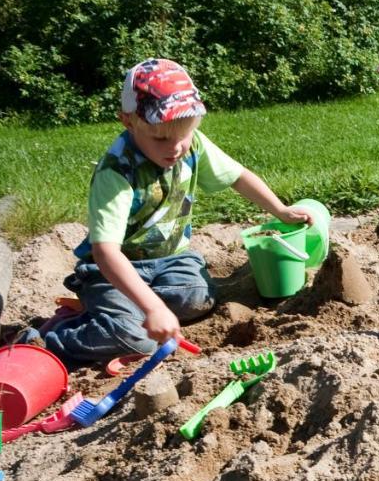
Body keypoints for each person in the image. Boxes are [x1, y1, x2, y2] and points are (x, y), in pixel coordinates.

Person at [20, 58, 311, 366]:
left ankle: (129, 309)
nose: (174, 147)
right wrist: (153, 308)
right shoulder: (117, 172)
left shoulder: (193, 143)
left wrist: (281, 210)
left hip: (171, 259)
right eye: (160, 138)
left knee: (199, 297)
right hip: (114, 271)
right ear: (128, 121)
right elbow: (105, 253)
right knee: (134, 337)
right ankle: (47, 339)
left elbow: (238, 176)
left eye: (183, 135)